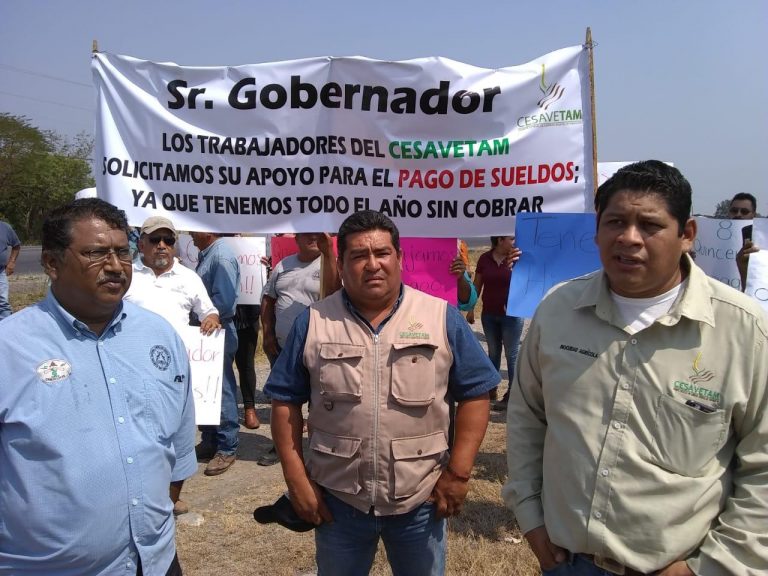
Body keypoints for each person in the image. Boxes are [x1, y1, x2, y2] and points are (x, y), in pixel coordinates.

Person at [503, 161, 768, 576]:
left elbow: (763, 464)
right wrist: (530, 514)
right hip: (567, 562)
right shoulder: (557, 310)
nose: (629, 238)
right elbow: (527, 418)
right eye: (615, 222)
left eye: (649, 225)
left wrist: (712, 566)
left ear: (688, 234)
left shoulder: (744, 330)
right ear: (596, 230)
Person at [265, 211, 499, 576]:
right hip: (338, 501)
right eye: (358, 256)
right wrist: (296, 480)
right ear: (339, 263)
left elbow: (476, 393)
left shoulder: (440, 317)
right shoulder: (313, 322)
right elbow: (285, 401)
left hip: (420, 500)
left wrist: (460, 473)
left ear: (400, 258)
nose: (372, 264)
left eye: (382, 253)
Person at [0, 198, 196, 575]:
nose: (114, 266)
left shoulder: (160, 335)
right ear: (52, 263)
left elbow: (177, 441)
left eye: (122, 251)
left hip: (155, 562)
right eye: (95, 252)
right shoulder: (10, 348)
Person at [124, 215, 221, 515]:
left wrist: (211, 318)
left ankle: (171, 498)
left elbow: (210, 309)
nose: (162, 246)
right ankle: (137, 496)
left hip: (174, 373)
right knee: (137, 436)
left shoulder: (188, 277)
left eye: (168, 240)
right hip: (131, 370)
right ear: (142, 243)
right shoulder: (127, 274)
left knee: (177, 437)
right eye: (155, 240)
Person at [258, 232, 339, 466]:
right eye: (306, 232)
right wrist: (268, 333)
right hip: (283, 348)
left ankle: (318, 451)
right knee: (283, 402)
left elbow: (334, 293)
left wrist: (328, 253)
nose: (312, 236)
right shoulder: (283, 264)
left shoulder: (329, 262)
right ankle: (281, 448)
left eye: (318, 233)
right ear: (296, 238)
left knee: (319, 402)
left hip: (318, 348)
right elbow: (268, 298)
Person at [190, 231, 240, 476]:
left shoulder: (221, 257)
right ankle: (210, 439)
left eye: (193, 227)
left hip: (217, 331)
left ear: (207, 231)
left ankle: (227, 446)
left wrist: (203, 313)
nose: (188, 232)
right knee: (206, 388)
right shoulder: (209, 254)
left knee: (220, 388)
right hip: (206, 332)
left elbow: (226, 301)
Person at [467, 236, 523, 408]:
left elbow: (529, 284)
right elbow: (477, 285)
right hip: (489, 315)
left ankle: (513, 395)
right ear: (500, 240)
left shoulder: (518, 260)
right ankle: (491, 389)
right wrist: (471, 308)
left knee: (512, 355)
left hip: (512, 317)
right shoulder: (484, 259)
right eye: (512, 239)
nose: (516, 242)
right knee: (493, 353)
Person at [235, 303, 262, 429]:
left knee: (246, 363)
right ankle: (218, 411)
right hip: (220, 315)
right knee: (219, 366)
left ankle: (249, 409)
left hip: (248, 315)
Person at [730, 192, 758, 291]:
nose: (738, 214)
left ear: (754, 214)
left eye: (744, 212)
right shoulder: (712, 237)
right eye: (734, 211)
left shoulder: (759, 243)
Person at [0, 219, 21, 320]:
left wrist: (12, 262)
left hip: (0, 272)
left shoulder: (4, 227)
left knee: (3, 303)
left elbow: (16, 245)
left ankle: (5, 330)